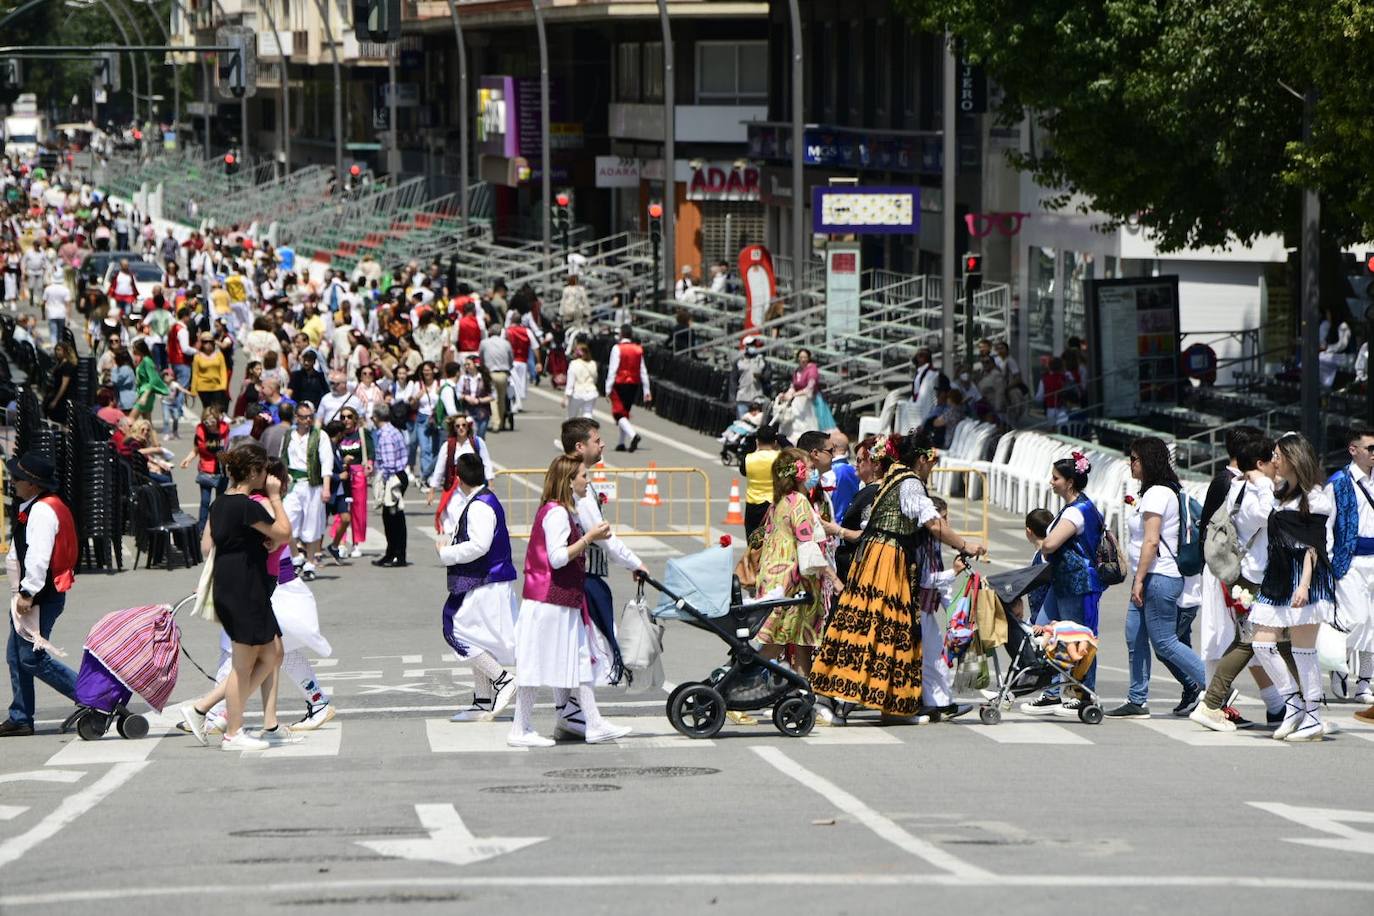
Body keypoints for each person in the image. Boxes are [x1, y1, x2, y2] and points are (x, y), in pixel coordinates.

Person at [810, 431, 987, 720]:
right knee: (878, 627)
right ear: (920, 459)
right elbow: (934, 524)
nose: (932, 466)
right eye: (930, 460)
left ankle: (887, 702)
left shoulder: (895, 477)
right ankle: (843, 698)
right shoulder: (910, 483)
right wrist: (966, 545)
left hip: (880, 556)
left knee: (880, 628)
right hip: (886, 559)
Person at [178, 444, 295, 751]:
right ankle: (233, 732)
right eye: (263, 472)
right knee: (243, 665)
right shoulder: (247, 504)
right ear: (254, 472)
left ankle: (204, 710)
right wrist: (274, 496)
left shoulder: (221, 503)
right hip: (245, 588)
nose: (267, 476)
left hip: (236, 584)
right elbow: (284, 532)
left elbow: (214, 544)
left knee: (271, 654)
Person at [507, 455, 630, 747]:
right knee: (536, 664)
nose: (588, 481)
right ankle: (520, 728)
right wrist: (589, 538)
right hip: (548, 601)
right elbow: (558, 557)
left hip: (560, 600)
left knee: (577, 659)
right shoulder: (557, 513)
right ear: (569, 480)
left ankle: (594, 723)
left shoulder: (562, 511)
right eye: (584, 476)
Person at [1191, 434, 1290, 732]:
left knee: (1264, 640)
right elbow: (1266, 515)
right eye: (1270, 459)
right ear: (1259, 464)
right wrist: (1262, 482)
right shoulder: (1252, 493)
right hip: (1255, 578)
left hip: (1249, 576)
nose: (1276, 463)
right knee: (1253, 641)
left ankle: (1286, 704)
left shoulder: (1237, 487)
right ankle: (1211, 703)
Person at [1106, 437, 1207, 720]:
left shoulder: (1157, 494)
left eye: (1134, 459)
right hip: (1151, 576)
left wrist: (1138, 580)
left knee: (1164, 641)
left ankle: (1214, 687)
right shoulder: (1157, 492)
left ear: (1148, 461)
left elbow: (1151, 542)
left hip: (1158, 577)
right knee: (1134, 635)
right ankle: (1137, 700)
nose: (1130, 464)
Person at [557, 418, 645, 737]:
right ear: (580, 447)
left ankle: (571, 715)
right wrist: (634, 562)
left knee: (578, 650)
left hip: (581, 578)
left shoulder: (578, 483)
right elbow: (603, 537)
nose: (602, 444)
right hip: (583, 579)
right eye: (597, 439)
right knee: (587, 652)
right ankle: (585, 719)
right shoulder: (577, 488)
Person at [1248, 433, 1336, 741]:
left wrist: (1304, 584)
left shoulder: (1316, 497)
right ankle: (1293, 702)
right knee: (1261, 643)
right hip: (1279, 575)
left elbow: (1314, 546)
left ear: (1292, 457)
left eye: (1277, 455)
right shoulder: (1281, 493)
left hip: (1304, 576)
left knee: (1303, 650)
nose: (1273, 459)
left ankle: (1312, 715)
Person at [1020, 453, 1107, 718]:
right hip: (1062, 582)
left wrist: (1046, 545)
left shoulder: (1077, 512)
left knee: (1080, 639)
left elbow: (1050, 544)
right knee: (1045, 632)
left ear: (1069, 482)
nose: (1051, 482)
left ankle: (1085, 695)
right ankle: (1051, 692)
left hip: (1077, 584)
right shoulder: (1076, 508)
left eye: (1056, 478)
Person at [1, 453, 80, 737]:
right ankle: (21, 716)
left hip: (38, 595)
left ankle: (93, 696)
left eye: (17, 478)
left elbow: (38, 557)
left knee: (31, 658)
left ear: (33, 484)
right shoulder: (38, 505)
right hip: (32, 593)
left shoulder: (43, 511)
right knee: (16, 656)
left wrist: (27, 593)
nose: (13, 482)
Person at [436, 453, 518, 722]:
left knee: (455, 629)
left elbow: (480, 545)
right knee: (475, 637)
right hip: (484, 581)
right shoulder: (482, 500)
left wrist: (447, 552)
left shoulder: (481, 505)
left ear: (458, 478)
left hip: (486, 580)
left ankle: (502, 680)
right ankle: (482, 700)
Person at [751, 447, 842, 678]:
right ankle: (740, 683)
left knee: (801, 642)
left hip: (784, 581)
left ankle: (804, 695)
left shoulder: (781, 501)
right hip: (792, 585)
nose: (814, 473)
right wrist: (835, 580)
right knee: (778, 643)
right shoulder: (799, 502)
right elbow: (808, 547)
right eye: (810, 468)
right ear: (799, 472)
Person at [1328, 424, 1374, 710]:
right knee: (1355, 618)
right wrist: (1331, 563)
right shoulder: (1338, 482)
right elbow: (1327, 525)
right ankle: (1338, 663)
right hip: (1350, 560)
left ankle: (1366, 682)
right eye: (1370, 448)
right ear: (1353, 449)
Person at [281, 401, 334, 582]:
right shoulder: (289, 435)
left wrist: (326, 488)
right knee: (286, 523)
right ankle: (296, 557)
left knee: (312, 525)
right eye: (304, 417)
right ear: (297, 417)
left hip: (313, 485)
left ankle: (310, 563)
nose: (307, 421)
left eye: (310, 417)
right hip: (293, 485)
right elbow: (283, 459)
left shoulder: (320, 436)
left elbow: (327, 463)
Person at [325, 408, 370, 561]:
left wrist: (369, 464)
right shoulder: (337, 437)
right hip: (342, 476)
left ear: (355, 418)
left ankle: (357, 543)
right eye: (343, 417)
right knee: (341, 511)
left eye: (349, 416)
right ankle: (341, 542)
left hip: (358, 475)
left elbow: (370, 452)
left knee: (359, 510)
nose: (346, 420)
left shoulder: (362, 433)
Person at [371, 404, 412, 568]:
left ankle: (397, 555)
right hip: (398, 475)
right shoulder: (392, 430)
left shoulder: (386, 435)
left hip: (393, 478)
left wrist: (383, 481)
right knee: (391, 517)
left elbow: (389, 463)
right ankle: (391, 553)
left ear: (376, 417)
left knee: (393, 518)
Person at [180, 405, 230, 530]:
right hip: (206, 470)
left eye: (212, 421)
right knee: (205, 501)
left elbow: (230, 447)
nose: (209, 424)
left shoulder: (224, 429)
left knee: (220, 501)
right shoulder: (200, 431)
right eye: (206, 421)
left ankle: (218, 526)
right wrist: (187, 459)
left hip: (222, 470)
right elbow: (197, 448)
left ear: (217, 420)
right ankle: (201, 528)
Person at [604, 326, 652, 452]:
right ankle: (621, 442)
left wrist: (607, 388)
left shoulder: (617, 348)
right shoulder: (637, 349)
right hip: (633, 384)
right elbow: (643, 371)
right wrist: (647, 391)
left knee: (618, 414)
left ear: (621, 334)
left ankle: (633, 435)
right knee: (624, 412)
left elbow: (613, 369)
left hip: (620, 383)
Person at [744, 424, 781, 540]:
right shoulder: (780, 457)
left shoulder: (749, 458)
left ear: (757, 441)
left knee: (753, 541)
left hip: (752, 504)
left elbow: (743, 471)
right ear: (775, 442)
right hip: (773, 504)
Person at [478, 324, 514, 432]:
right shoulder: (506, 343)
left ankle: (496, 423)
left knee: (493, 399)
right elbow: (511, 358)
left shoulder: (484, 343)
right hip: (503, 373)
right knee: (502, 399)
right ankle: (502, 422)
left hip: (490, 373)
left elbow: (481, 357)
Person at [779, 349, 820, 439]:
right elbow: (793, 386)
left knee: (807, 424)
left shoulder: (812, 370)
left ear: (808, 358)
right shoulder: (797, 370)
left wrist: (794, 395)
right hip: (797, 401)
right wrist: (787, 395)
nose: (803, 359)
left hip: (808, 402)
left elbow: (810, 388)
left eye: (805, 357)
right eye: (801, 357)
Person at [826, 431, 861, 521]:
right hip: (851, 522)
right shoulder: (855, 470)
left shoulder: (829, 471)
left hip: (833, 524)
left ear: (833, 446)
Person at [562, 341, 598, 420]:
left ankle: (571, 431)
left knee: (572, 416)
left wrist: (566, 397)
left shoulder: (573, 364)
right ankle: (588, 429)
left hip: (577, 393)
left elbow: (570, 383)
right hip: (591, 391)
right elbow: (595, 378)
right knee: (588, 413)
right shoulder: (593, 363)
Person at [735, 336, 767, 419]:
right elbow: (733, 380)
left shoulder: (761, 360)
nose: (753, 347)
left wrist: (761, 376)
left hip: (757, 398)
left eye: (753, 345)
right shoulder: (739, 361)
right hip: (742, 397)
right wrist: (732, 400)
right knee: (742, 423)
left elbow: (767, 376)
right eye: (750, 345)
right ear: (745, 346)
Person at [45, 340, 78, 420]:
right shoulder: (59, 364)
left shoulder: (67, 366)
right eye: (56, 350)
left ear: (65, 351)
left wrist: (55, 400)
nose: (57, 352)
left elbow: (64, 385)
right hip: (56, 394)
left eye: (59, 350)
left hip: (64, 399)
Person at [42, 271, 70, 345]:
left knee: (53, 333)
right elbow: (68, 305)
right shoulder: (65, 290)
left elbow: (43, 302)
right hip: (61, 314)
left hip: (51, 313)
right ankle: (60, 349)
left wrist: (43, 314)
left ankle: (54, 348)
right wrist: (68, 317)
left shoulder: (48, 289)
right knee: (60, 334)